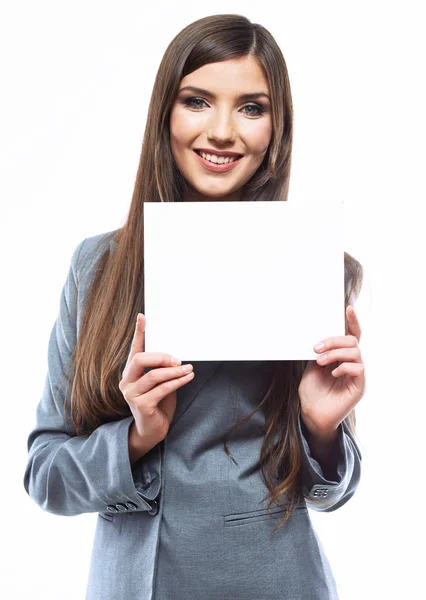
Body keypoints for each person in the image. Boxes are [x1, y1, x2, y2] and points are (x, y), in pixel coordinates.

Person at [23, 13, 366, 600]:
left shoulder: (316, 265)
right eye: (197, 100)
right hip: (130, 583)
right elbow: (45, 475)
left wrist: (320, 426)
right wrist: (135, 437)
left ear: (277, 127)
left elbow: (330, 494)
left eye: (252, 107)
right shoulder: (98, 266)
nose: (223, 131)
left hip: (271, 579)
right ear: (166, 114)